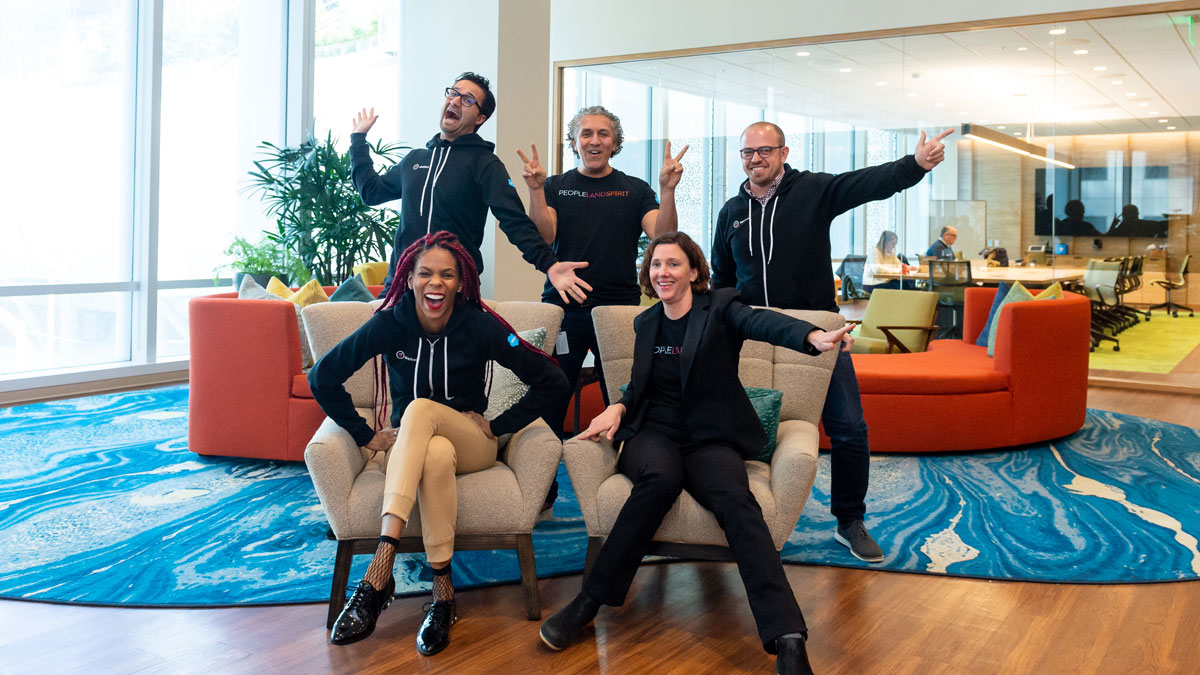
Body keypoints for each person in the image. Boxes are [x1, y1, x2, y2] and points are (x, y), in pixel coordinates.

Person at [538, 231, 852, 675]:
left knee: (738, 502)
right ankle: (589, 602)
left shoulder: (722, 309)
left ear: (693, 271)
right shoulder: (645, 324)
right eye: (655, 264)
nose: (662, 272)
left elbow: (765, 322)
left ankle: (787, 636)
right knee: (659, 481)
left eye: (672, 264)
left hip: (711, 440)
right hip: (654, 436)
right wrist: (618, 406)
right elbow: (641, 385)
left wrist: (813, 337)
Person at [308, 231, 568, 655]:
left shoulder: (480, 324)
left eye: (447, 275)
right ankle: (443, 592)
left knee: (419, 409)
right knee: (432, 450)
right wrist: (365, 435)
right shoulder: (391, 322)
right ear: (408, 278)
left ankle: (380, 565)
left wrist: (499, 425)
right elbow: (323, 376)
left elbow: (551, 380)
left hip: (474, 447)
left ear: (461, 282)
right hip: (415, 448)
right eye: (425, 273)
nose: (436, 283)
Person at [710, 121, 951, 563]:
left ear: (783, 152)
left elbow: (867, 183)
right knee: (730, 424)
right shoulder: (731, 211)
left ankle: (849, 521)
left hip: (817, 330)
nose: (755, 159)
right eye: (747, 152)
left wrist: (914, 165)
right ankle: (734, 514)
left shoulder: (812, 191)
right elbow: (722, 279)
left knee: (850, 427)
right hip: (752, 333)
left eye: (765, 150)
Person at [515, 105, 688, 438]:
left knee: (624, 397)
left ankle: (623, 477)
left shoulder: (635, 190)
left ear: (614, 142)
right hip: (563, 308)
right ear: (575, 141)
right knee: (551, 398)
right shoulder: (555, 186)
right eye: (586, 133)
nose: (594, 141)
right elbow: (545, 235)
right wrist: (536, 191)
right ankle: (543, 486)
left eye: (603, 134)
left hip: (617, 309)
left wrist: (667, 191)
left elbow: (662, 236)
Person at [348, 71, 588, 301]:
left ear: (480, 118)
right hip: (401, 285)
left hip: (455, 288)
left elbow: (514, 221)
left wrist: (550, 265)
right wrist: (358, 141)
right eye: (453, 93)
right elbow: (371, 191)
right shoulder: (415, 159)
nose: (455, 101)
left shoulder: (485, 164)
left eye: (467, 100)